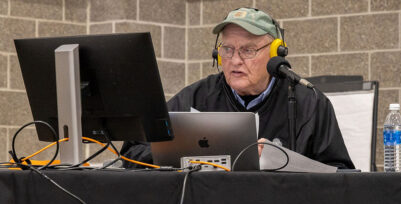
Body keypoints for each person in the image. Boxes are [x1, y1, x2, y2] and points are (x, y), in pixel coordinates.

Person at [121, 7, 354, 169]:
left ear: (275, 53)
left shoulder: (309, 103)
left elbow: (340, 173)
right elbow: (132, 154)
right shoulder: (195, 97)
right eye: (227, 49)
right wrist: (185, 154)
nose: (234, 60)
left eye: (248, 50)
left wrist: (284, 161)